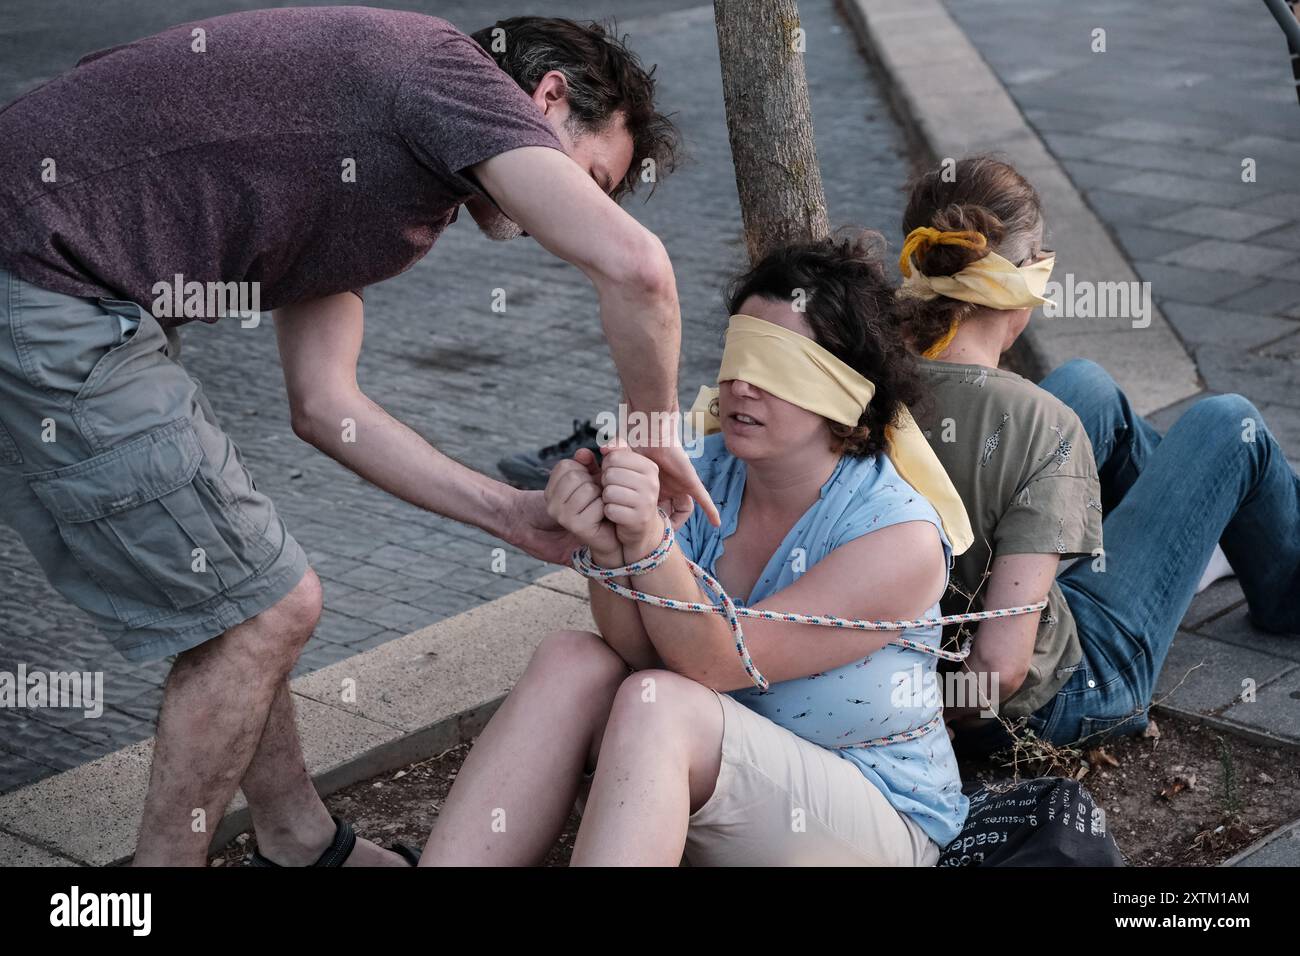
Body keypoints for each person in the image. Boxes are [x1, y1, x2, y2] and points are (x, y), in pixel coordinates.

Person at [0, 8, 717, 866]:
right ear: (547, 97)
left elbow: (325, 404)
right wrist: (654, 434)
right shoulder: (452, 76)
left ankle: (301, 843)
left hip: (67, 281)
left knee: (243, 591)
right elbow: (638, 267)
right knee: (266, 610)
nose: (559, 218)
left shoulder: (398, 182)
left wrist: (511, 515)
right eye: (594, 178)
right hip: (41, 275)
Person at [420, 235, 972, 866]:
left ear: (847, 393)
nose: (739, 387)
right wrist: (610, 547)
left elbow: (712, 662)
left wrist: (649, 541)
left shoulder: (898, 538)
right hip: (723, 777)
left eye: (777, 367)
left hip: (869, 820)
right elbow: (642, 649)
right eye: (738, 358)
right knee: (572, 659)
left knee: (661, 707)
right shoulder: (702, 468)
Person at [895, 156, 1300, 754]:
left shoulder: (872, 382)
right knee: (1228, 421)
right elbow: (1001, 670)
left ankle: (1204, 534)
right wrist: (908, 718)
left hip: (961, 633)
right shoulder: (1040, 424)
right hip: (1065, 690)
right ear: (1028, 280)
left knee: (1086, 382)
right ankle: (1278, 582)